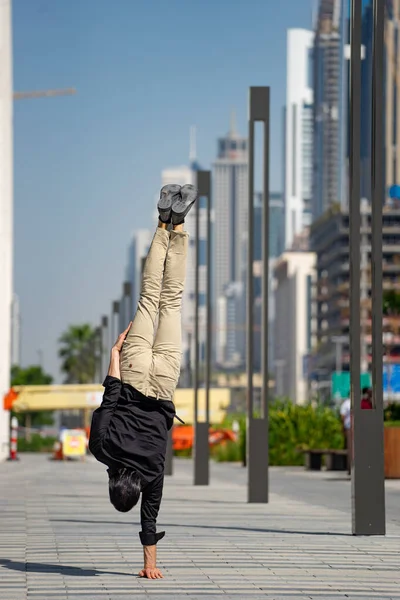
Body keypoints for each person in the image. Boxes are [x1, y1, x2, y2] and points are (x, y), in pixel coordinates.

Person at [89, 184, 197, 579]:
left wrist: (150, 566)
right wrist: (115, 355)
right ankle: (163, 221)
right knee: (150, 296)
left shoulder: (152, 475)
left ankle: (179, 226)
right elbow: (110, 398)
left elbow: (150, 520)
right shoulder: (102, 449)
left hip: (164, 378)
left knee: (172, 299)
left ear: (134, 492)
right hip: (133, 372)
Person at [340, 393, 351, 474]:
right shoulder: (346, 404)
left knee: (350, 448)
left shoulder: (347, 404)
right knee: (350, 448)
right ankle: (349, 467)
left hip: (351, 427)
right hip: (349, 427)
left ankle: (350, 467)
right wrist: (343, 427)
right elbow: (343, 416)